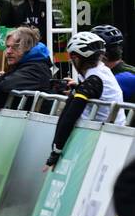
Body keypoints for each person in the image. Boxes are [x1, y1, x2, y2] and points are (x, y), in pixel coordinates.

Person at [46, 32, 124, 168]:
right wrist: (78, 88)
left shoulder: (94, 80)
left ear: (76, 58)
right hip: (111, 137)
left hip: (101, 143)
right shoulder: (102, 72)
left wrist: (55, 151)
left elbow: (69, 116)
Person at [0, 26, 53, 117]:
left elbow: (4, 86)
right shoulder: (24, 65)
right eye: (7, 47)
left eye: (15, 47)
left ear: (28, 48)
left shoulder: (36, 68)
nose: (8, 52)